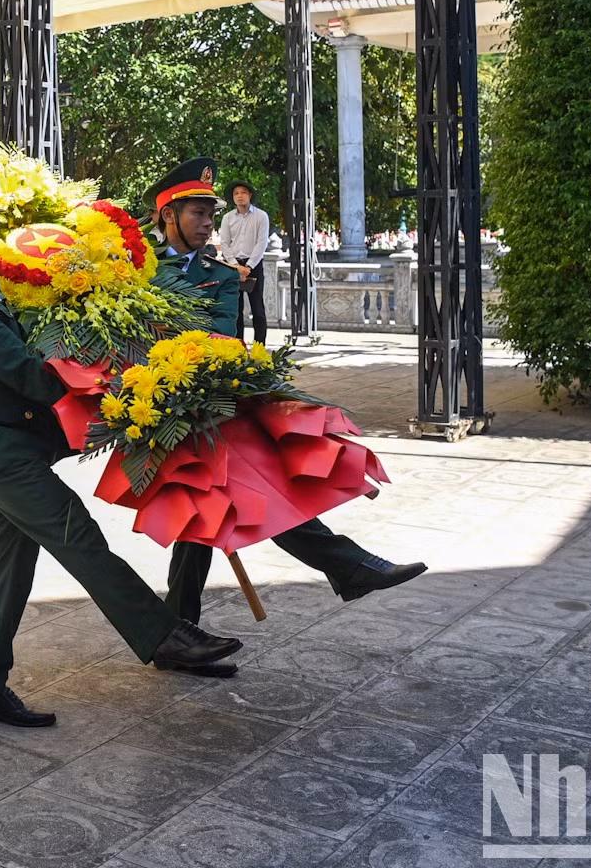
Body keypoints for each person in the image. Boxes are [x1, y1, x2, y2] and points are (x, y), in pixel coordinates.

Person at [0, 160, 241, 728]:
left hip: (11, 447)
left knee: (10, 572)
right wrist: (112, 377)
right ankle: (163, 635)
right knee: (78, 535)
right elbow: (28, 374)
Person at [150, 157, 425, 632]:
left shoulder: (221, 276)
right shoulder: (138, 272)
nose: (209, 223)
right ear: (168, 215)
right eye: (198, 213)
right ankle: (347, 567)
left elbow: (221, 338)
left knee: (214, 508)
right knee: (238, 498)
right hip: (158, 408)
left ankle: (178, 630)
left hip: (211, 402)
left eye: (211, 214)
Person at [215, 179, 271, 343]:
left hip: (253, 265)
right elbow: (225, 243)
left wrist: (248, 266)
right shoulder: (227, 218)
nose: (240, 196)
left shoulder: (261, 216)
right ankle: (238, 346)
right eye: (236, 193)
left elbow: (262, 243)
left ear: (250, 195)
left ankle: (260, 347)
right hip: (232, 266)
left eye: (243, 193)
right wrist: (236, 266)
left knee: (258, 309)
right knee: (235, 310)